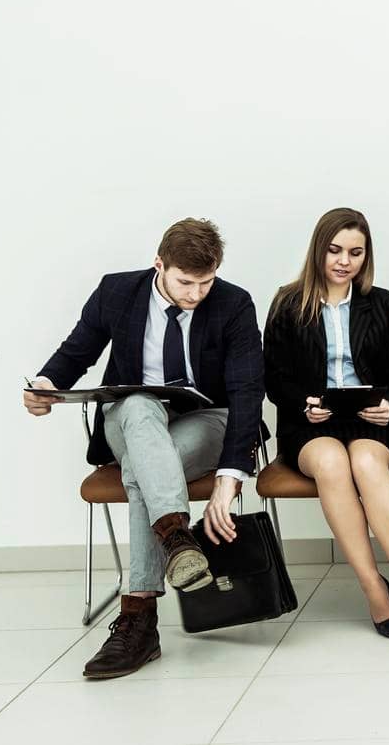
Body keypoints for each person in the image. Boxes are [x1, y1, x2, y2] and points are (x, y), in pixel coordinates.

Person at [23, 218, 264, 678]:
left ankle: (139, 618)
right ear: (159, 264)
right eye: (185, 282)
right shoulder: (118, 291)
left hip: (205, 419)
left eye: (206, 282)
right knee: (136, 406)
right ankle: (175, 538)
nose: (196, 294)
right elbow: (79, 350)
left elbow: (248, 389)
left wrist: (229, 480)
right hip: (132, 419)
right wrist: (46, 385)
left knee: (145, 470)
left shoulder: (234, 304)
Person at [264, 208, 389, 639]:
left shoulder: (380, 302)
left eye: (356, 253)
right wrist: (303, 403)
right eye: (335, 250)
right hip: (310, 424)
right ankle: (371, 584)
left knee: (364, 463)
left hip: (369, 420)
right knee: (332, 463)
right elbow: (273, 378)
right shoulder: (287, 302)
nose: (345, 261)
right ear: (318, 250)